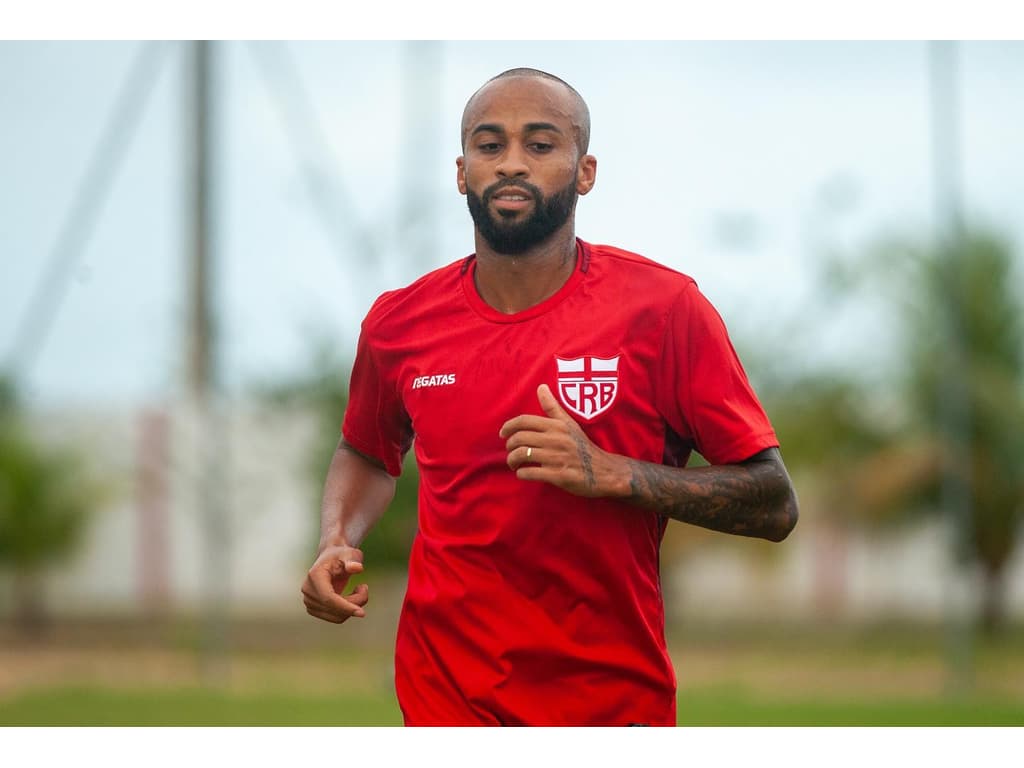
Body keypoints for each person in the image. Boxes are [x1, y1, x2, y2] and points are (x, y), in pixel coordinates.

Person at [301, 68, 799, 726]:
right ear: (461, 172)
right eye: (489, 145)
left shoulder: (664, 310)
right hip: (445, 694)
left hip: (612, 704)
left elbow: (774, 503)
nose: (511, 163)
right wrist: (335, 537)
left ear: (585, 170)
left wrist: (619, 474)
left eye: (540, 145)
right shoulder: (398, 324)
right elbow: (366, 450)